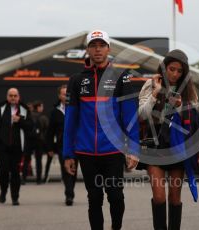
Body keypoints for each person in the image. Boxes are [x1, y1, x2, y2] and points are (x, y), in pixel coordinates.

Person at [63, 30, 139, 230]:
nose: (97, 49)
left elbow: (130, 117)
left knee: (115, 196)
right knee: (94, 198)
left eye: (101, 45)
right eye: (93, 45)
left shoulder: (121, 77)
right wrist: (68, 153)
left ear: (108, 48)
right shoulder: (76, 80)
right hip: (86, 151)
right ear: (87, 49)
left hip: (113, 150)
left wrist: (133, 149)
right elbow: (70, 120)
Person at [138, 49, 199, 230]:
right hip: (154, 144)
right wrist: (155, 93)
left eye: (179, 71)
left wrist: (180, 106)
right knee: (159, 197)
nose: (175, 74)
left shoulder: (190, 91)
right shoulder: (150, 85)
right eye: (171, 69)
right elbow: (142, 115)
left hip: (177, 145)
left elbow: (193, 121)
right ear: (164, 68)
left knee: (175, 197)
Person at [0, 88, 33, 205]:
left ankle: (15, 197)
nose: (13, 98)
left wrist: (20, 121)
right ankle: (3, 191)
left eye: (15, 96)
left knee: (15, 173)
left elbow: (30, 127)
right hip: (2, 148)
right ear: (7, 97)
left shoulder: (24, 110)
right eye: (11, 95)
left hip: (17, 148)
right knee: (3, 171)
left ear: (19, 97)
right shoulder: (1, 108)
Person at [45, 84, 78, 206]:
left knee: (74, 168)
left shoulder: (76, 108)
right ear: (59, 96)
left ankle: (71, 190)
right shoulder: (55, 112)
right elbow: (50, 131)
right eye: (64, 94)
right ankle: (69, 194)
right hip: (61, 145)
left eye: (68, 94)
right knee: (65, 169)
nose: (66, 96)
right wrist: (49, 147)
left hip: (76, 144)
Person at [22, 100, 48, 184]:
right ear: (39, 107)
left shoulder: (28, 116)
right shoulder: (42, 117)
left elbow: (24, 127)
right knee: (38, 160)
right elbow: (46, 128)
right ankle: (39, 179)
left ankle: (23, 178)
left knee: (26, 160)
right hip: (39, 141)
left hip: (29, 140)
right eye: (42, 106)